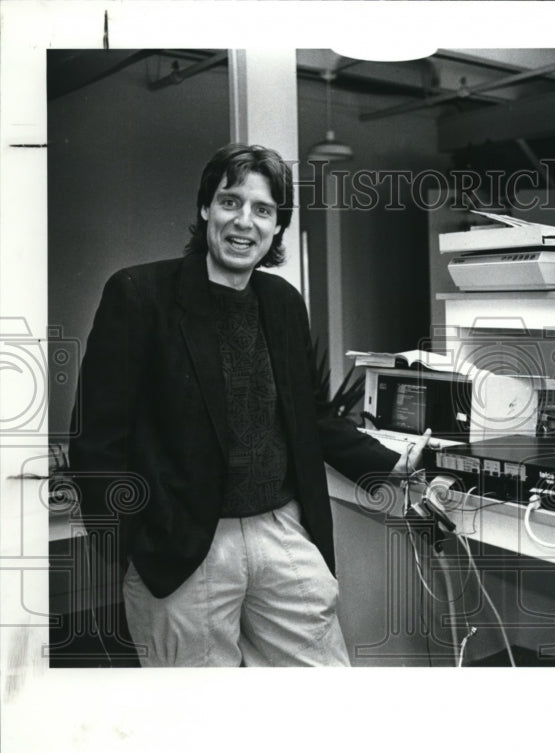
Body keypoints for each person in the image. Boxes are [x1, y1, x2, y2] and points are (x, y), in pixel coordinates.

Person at [69, 143, 429, 667]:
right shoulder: (139, 294)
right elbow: (97, 440)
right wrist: (131, 549)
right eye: (230, 202)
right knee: (196, 719)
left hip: (281, 530)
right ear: (204, 209)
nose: (245, 222)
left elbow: (308, 413)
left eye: (263, 210)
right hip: (183, 540)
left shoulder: (282, 302)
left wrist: (393, 461)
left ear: (278, 226)